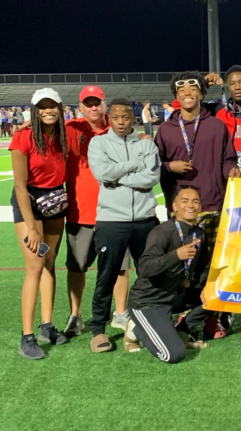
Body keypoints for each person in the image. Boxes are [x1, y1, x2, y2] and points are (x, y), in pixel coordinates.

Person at [155, 71, 237, 340]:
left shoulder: (216, 126)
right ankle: (172, 315)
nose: (187, 94)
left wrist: (231, 170)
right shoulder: (166, 130)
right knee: (180, 267)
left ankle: (210, 318)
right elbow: (154, 167)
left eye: (193, 89)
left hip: (213, 204)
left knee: (211, 269)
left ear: (202, 94)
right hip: (181, 211)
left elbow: (228, 158)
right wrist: (170, 166)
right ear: (175, 96)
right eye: (181, 90)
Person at [87, 98, 161, 353]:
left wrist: (117, 178)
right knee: (106, 276)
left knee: (150, 274)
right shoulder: (98, 143)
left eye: (126, 117)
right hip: (111, 220)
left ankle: (151, 323)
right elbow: (102, 174)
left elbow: (152, 178)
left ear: (133, 118)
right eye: (116, 117)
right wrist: (132, 166)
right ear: (110, 118)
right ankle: (98, 330)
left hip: (145, 219)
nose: (121, 122)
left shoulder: (145, 143)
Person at [11, 88, 77, 359]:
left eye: (53, 106)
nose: (48, 110)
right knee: (35, 266)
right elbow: (18, 185)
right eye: (42, 107)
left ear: (61, 108)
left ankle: (46, 326)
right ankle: (26, 336)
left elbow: (98, 122)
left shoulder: (66, 133)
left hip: (55, 202)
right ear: (34, 110)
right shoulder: (23, 136)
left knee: (50, 263)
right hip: (29, 200)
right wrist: (32, 226)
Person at [62, 86, 133, 337]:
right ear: (80, 107)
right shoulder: (71, 129)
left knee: (121, 266)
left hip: (115, 212)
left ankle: (120, 313)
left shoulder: (118, 128)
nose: (93, 107)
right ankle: (75, 315)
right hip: (80, 211)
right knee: (77, 266)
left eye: (97, 103)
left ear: (104, 105)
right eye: (88, 103)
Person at [123, 185, 211, 363]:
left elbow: (204, 268)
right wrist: (175, 255)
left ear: (200, 206)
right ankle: (136, 328)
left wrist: (205, 288)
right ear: (175, 206)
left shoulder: (199, 234)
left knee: (217, 295)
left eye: (195, 202)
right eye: (184, 201)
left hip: (175, 295)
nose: (190, 206)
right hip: (149, 301)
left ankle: (181, 331)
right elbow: (145, 267)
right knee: (173, 355)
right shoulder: (162, 232)